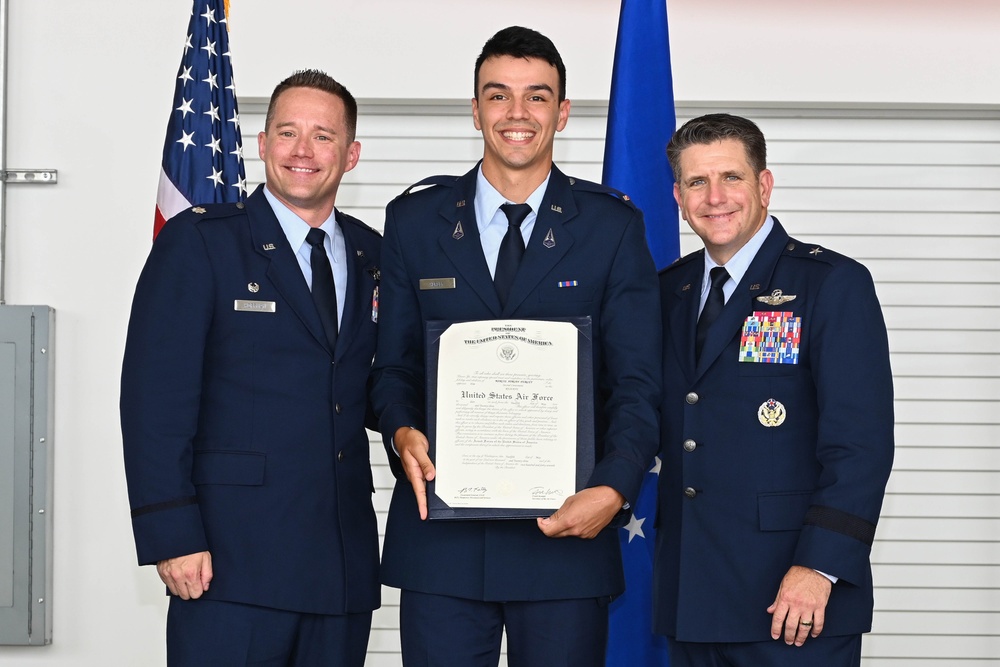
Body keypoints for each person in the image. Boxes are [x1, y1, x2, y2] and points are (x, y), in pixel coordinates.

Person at [369, 26, 661, 667]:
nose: (516, 114)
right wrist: (401, 432)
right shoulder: (413, 221)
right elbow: (392, 368)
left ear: (562, 112)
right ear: (475, 110)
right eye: (498, 96)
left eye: (536, 97)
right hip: (442, 543)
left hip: (564, 540)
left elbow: (639, 383)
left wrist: (613, 490)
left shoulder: (612, 226)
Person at [121, 69, 381, 666]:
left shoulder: (374, 254)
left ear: (351, 154)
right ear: (262, 145)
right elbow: (154, 400)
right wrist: (172, 534)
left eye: (322, 136)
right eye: (287, 132)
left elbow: (379, 384)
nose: (302, 151)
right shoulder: (202, 243)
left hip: (340, 566)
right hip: (228, 565)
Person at [653, 113, 894, 666]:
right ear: (678, 195)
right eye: (696, 182)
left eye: (731, 178)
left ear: (764, 185)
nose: (715, 197)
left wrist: (819, 566)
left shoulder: (830, 283)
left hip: (792, 599)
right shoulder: (669, 291)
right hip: (694, 591)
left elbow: (861, 445)